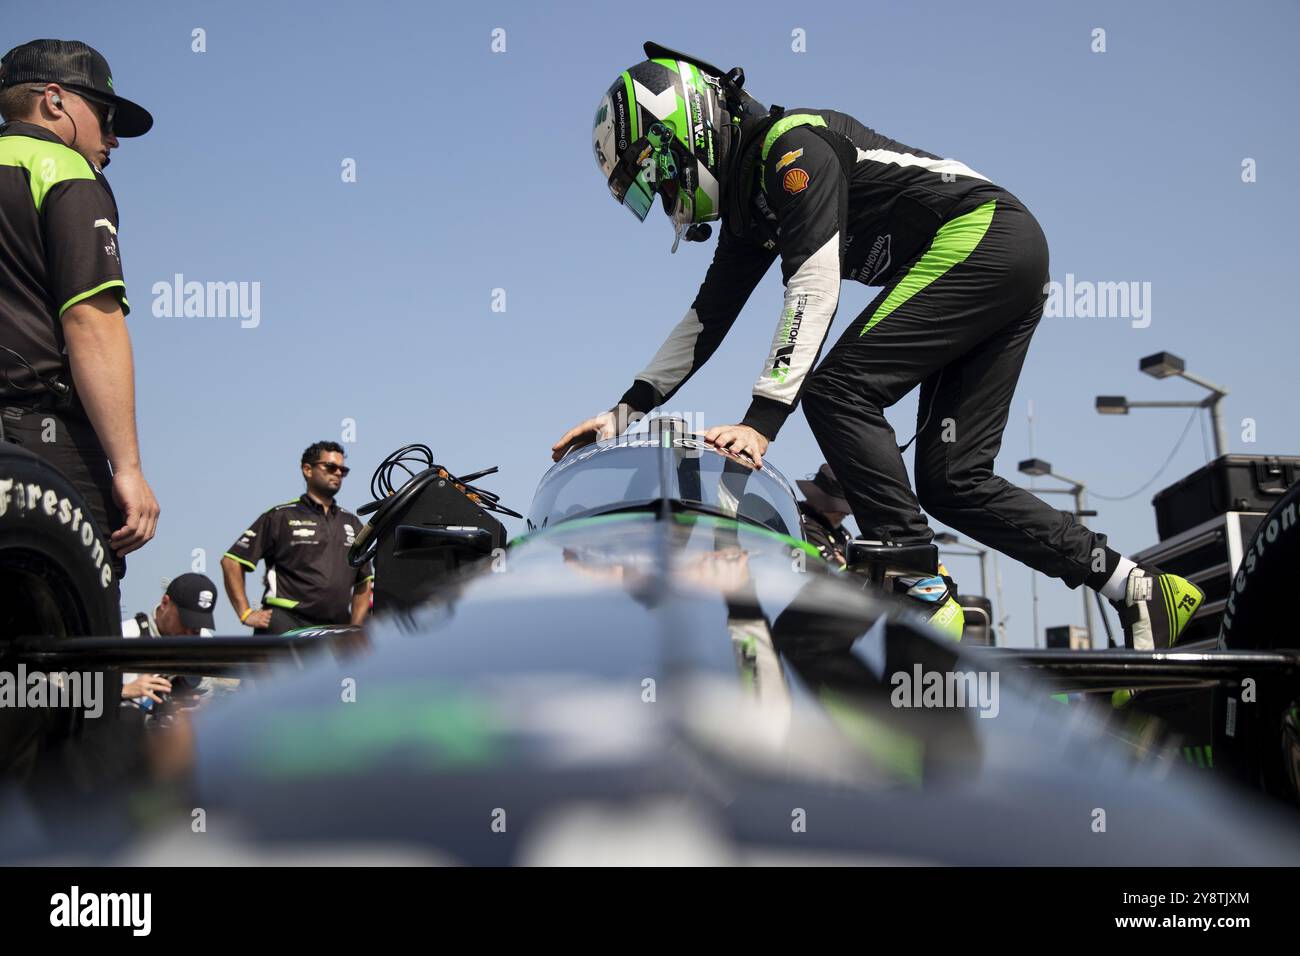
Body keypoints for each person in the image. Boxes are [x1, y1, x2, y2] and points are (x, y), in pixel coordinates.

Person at [552, 42, 1202, 649]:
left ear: (685, 133)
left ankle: (918, 583)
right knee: (953, 482)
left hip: (987, 239)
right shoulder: (750, 212)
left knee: (838, 390)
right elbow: (704, 320)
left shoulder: (792, 150)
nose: (671, 200)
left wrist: (761, 421)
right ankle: (1135, 588)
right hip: (1002, 263)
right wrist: (622, 415)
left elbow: (814, 281)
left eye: (661, 180)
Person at [0, 39, 160, 596]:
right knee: (67, 646)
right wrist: (129, 470)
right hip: (39, 435)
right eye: (106, 116)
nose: (112, 138)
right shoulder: (62, 167)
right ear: (54, 100)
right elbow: (93, 323)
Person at [221, 441, 372, 635]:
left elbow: (364, 580)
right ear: (307, 470)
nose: (338, 473)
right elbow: (231, 561)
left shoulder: (352, 522)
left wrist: (355, 629)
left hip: (335, 629)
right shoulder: (280, 516)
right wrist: (245, 613)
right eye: (331, 467)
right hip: (286, 622)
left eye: (343, 470)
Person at [121, 572, 217, 709]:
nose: (191, 632)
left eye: (198, 626)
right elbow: (84, 697)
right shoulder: (125, 635)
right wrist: (123, 691)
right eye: (186, 621)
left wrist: (194, 709)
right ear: (165, 603)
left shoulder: (205, 642)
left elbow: (207, 703)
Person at [795, 463, 853, 568]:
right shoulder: (798, 521)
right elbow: (829, 569)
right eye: (840, 509)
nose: (846, 514)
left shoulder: (843, 533)